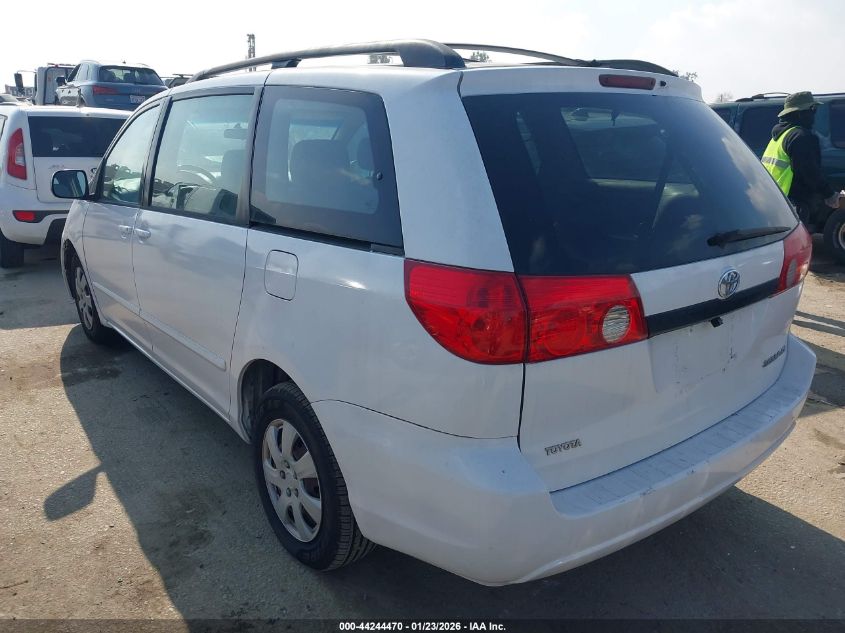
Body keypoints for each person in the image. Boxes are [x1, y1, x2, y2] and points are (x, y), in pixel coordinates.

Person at [761, 91, 841, 225]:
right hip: (792, 204)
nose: (814, 115)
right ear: (800, 113)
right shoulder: (800, 137)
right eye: (812, 110)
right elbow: (809, 172)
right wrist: (829, 195)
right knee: (797, 244)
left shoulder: (779, 137)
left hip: (774, 200)